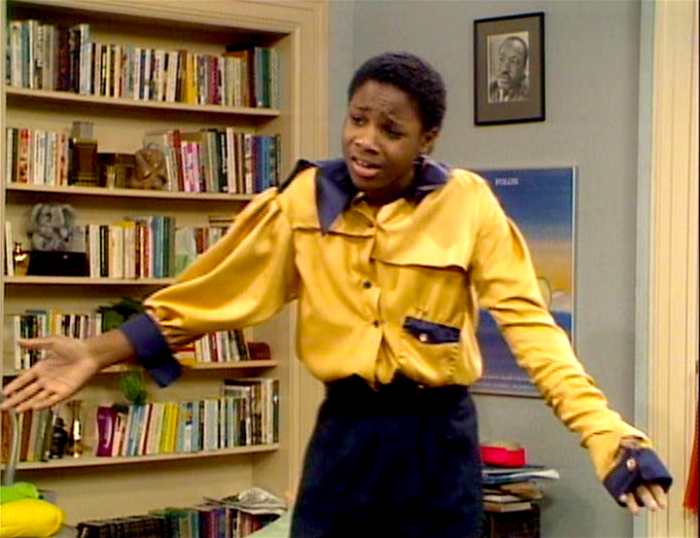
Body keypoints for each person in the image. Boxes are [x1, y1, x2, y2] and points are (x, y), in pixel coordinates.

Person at [2, 52, 671, 538]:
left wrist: (607, 436)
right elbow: (212, 295)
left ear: (427, 138)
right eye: (357, 120)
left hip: (436, 444)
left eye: (391, 130)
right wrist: (97, 351)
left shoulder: (468, 204)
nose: (365, 141)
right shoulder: (300, 202)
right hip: (344, 440)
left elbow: (533, 330)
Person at [489, 35, 530, 103]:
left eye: (514, 61)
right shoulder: (490, 90)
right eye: (501, 59)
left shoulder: (529, 97)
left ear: (524, 68)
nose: (504, 69)